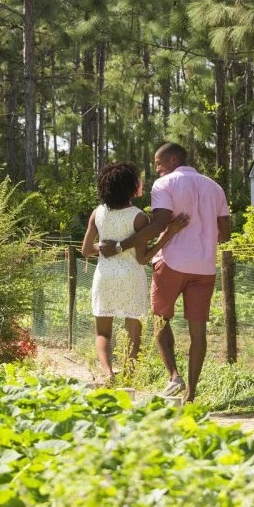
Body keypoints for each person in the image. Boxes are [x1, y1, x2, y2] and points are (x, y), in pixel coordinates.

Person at [98, 143, 230, 402]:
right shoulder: (215, 187)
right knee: (198, 332)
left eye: (158, 163)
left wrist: (120, 245)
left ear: (172, 160)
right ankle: (191, 394)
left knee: (160, 320)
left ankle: (174, 376)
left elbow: (158, 224)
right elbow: (225, 233)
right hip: (204, 268)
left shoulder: (165, 184)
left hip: (171, 263)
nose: (156, 168)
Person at [80, 162, 188, 386]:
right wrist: (169, 234)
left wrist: (102, 247)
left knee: (103, 333)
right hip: (131, 276)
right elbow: (143, 258)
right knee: (133, 332)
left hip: (104, 276)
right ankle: (128, 378)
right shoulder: (139, 217)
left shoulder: (97, 213)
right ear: (131, 188)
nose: (142, 183)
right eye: (138, 181)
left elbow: (85, 250)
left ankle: (108, 374)